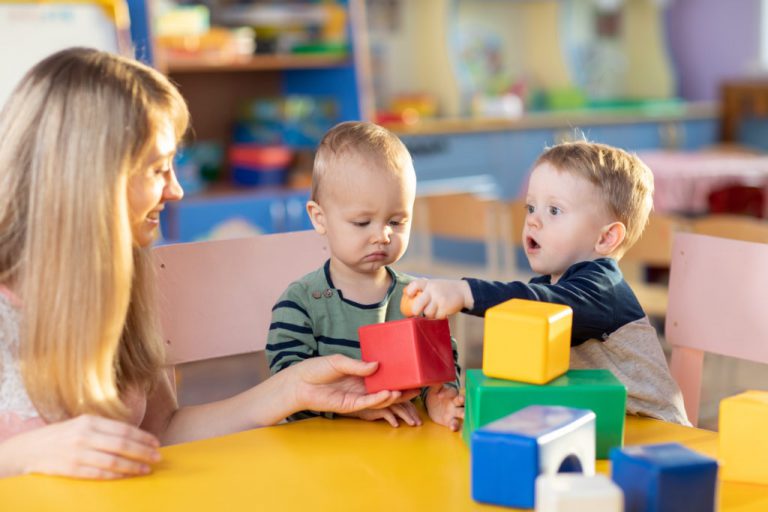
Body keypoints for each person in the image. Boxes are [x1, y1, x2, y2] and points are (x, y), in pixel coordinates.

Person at [0, 48, 408, 480]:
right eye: (158, 169)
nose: (175, 190)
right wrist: (30, 453)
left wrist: (292, 389)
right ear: (88, 178)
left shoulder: (124, 283)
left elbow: (162, 430)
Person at [403, 140, 690, 426]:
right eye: (530, 207)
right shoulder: (547, 286)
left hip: (656, 429)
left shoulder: (602, 288)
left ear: (605, 238)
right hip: (598, 423)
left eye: (554, 210)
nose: (533, 222)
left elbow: (542, 303)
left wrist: (464, 291)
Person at [265, 121, 464, 431]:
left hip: (402, 442)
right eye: (361, 223)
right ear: (320, 218)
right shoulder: (301, 302)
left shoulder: (415, 297)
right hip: (324, 447)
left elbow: (440, 366)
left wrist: (439, 397)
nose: (383, 235)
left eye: (397, 221)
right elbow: (285, 387)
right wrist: (350, 409)